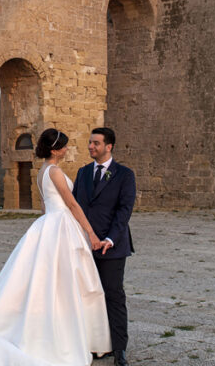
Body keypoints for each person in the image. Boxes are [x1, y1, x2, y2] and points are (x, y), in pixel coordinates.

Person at [0, 128, 112, 366]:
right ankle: (71, 336)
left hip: (49, 222)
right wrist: (91, 233)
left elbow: (44, 205)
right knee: (66, 281)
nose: (67, 149)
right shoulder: (54, 171)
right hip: (61, 223)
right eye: (64, 146)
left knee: (50, 279)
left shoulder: (41, 171)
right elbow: (72, 204)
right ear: (56, 150)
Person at [72, 127, 135, 366]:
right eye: (90, 142)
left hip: (112, 247)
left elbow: (124, 210)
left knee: (113, 296)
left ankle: (120, 350)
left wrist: (110, 239)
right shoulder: (83, 173)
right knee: (86, 296)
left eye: (96, 143)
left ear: (109, 146)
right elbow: (76, 207)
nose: (90, 146)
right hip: (85, 246)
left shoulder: (124, 175)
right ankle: (94, 345)